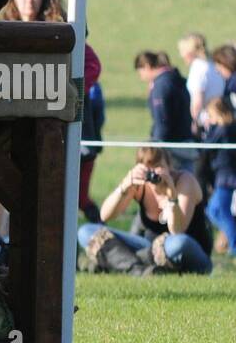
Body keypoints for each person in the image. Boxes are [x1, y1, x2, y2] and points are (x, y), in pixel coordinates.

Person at [3, 0, 104, 220]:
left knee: (64, 195)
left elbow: (91, 65)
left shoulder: (58, 31)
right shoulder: (4, 31)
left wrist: (58, 92)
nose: (30, 0)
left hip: (57, 123)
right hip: (16, 121)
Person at [78, 145, 212, 275]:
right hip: (147, 247)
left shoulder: (184, 181)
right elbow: (105, 216)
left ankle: (118, 261)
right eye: (148, 169)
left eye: (158, 166)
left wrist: (172, 197)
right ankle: (137, 269)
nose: (153, 173)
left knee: (179, 243)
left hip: (188, 251)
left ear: (169, 166)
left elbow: (177, 230)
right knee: (86, 232)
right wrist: (124, 186)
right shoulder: (140, 185)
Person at [134, 50, 194, 172]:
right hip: (185, 141)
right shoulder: (177, 79)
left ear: (147, 66)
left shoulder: (161, 85)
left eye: (140, 72)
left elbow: (162, 121)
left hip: (170, 149)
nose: (141, 78)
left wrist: (154, 148)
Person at [201, 94, 236, 255]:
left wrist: (206, 129)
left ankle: (234, 245)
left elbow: (207, 146)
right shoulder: (227, 128)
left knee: (219, 209)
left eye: (210, 115)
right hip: (223, 175)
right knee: (214, 209)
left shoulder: (223, 129)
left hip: (226, 177)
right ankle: (231, 240)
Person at [179, 33, 225, 132]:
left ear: (190, 52)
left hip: (206, 121)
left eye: (182, 51)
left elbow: (197, 101)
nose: (181, 55)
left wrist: (194, 122)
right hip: (220, 116)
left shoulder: (197, 68)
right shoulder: (212, 65)